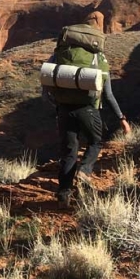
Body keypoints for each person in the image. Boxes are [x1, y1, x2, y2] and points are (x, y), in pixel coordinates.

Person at [53, 11, 131, 207]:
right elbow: (108, 94)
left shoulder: (60, 53)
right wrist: (121, 117)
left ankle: (63, 195)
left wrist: (58, 105)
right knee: (96, 141)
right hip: (87, 108)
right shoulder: (99, 57)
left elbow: (48, 83)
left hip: (63, 109)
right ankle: (84, 171)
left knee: (69, 152)